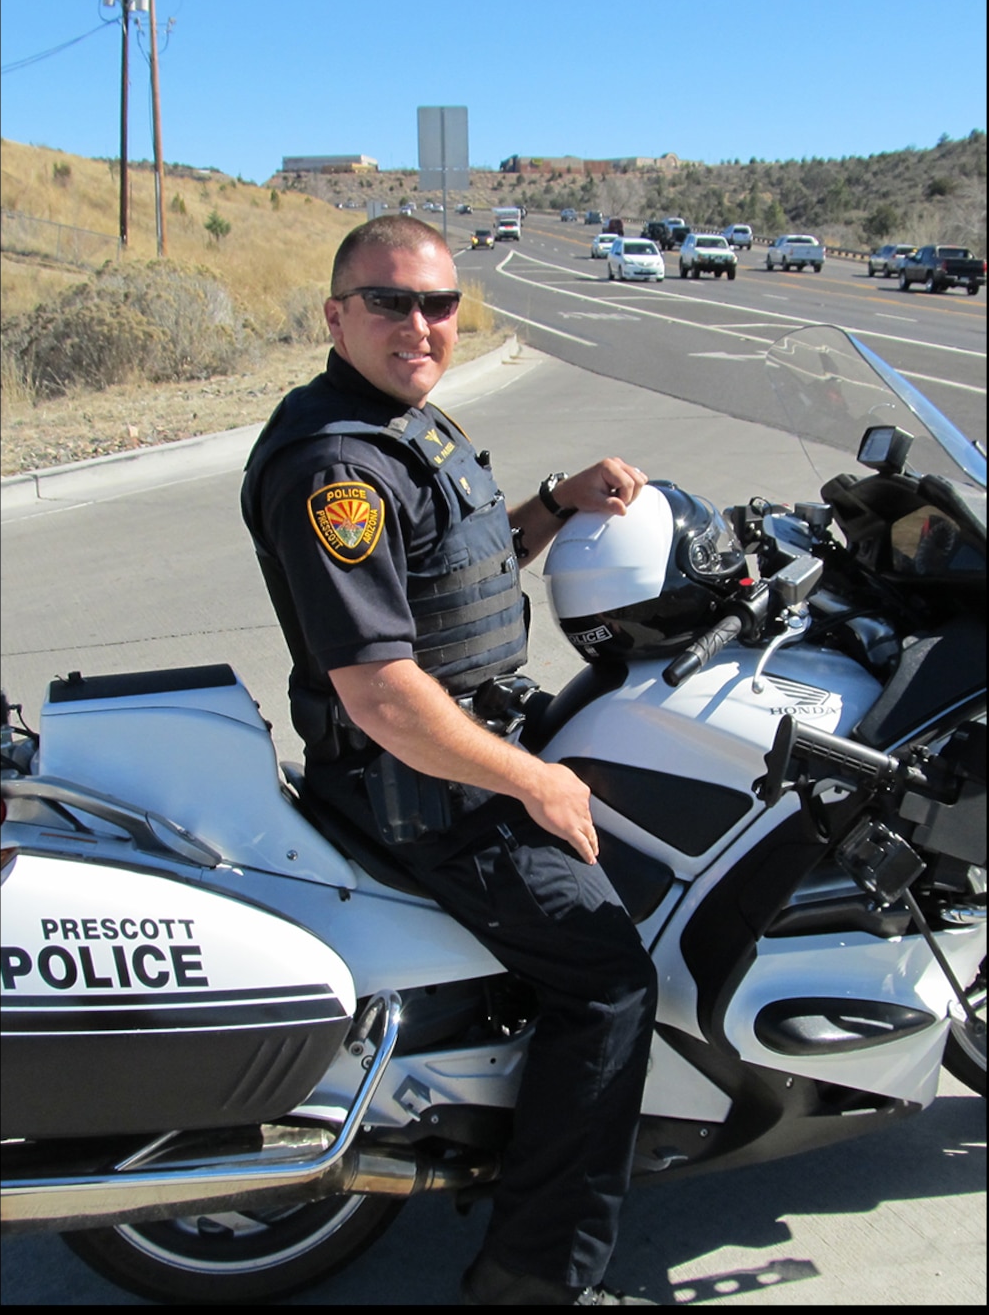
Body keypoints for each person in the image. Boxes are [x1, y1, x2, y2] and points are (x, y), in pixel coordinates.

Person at [240, 214, 660, 1305]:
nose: (418, 324)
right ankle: (531, 1277)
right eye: (388, 301)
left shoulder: (400, 422)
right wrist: (534, 779)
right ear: (336, 315)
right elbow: (381, 691)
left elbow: (456, 570)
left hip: (456, 747)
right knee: (610, 979)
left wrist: (560, 504)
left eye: (436, 303)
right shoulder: (335, 463)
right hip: (422, 788)